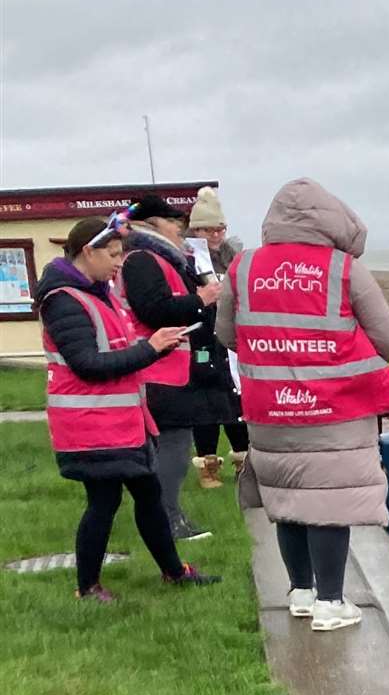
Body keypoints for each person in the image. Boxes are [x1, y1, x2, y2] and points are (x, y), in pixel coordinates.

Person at [216, 178, 389, 631]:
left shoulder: (243, 268)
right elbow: (386, 339)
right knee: (327, 502)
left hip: (270, 407)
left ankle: (300, 593)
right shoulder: (345, 268)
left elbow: (227, 334)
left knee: (288, 496)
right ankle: (331, 601)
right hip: (334, 410)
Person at [38, 217, 217, 602]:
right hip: (90, 424)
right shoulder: (64, 300)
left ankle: (173, 571)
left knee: (148, 493)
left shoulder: (101, 292)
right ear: (89, 251)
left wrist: (154, 343)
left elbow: (119, 346)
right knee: (104, 501)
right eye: (114, 254)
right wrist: (149, 349)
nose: (121, 262)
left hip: (120, 421)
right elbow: (88, 363)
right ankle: (88, 588)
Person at [120, 195, 231, 542]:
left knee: (176, 447)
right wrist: (201, 299)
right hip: (161, 371)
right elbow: (153, 309)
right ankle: (167, 521)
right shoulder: (143, 259)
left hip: (172, 368)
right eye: (173, 221)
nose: (180, 228)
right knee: (173, 448)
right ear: (152, 224)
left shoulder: (158, 258)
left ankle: (171, 516)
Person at [185, 187, 249, 489]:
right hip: (201, 338)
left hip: (231, 338)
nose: (216, 234)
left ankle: (243, 463)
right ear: (196, 229)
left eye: (220, 228)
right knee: (206, 403)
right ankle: (207, 467)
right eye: (209, 229)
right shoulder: (188, 259)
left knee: (236, 402)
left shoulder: (232, 257)